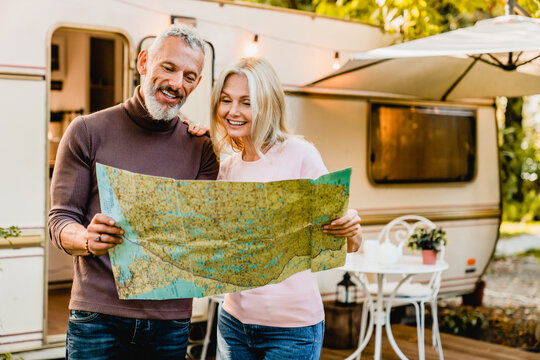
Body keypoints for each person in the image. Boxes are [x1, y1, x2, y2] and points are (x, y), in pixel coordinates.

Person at [48, 24, 219, 359]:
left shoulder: (202, 148)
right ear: (143, 62)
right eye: (168, 68)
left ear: (197, 84)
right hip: (97, 317)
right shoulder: (86, 131)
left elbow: (203, 232)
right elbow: (60, 219)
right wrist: (85, 239)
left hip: (170, 322)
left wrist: (226, 142)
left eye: (189, 76)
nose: (176, 83)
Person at [209, 57, 362, 360]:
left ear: (268, 105)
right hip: (233, 323)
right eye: (226, 100)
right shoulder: (226, 169)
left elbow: (352, 244)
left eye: (246, 102)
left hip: (291, 330)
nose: (233, 111)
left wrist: (351, 227)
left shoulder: (300, 155)